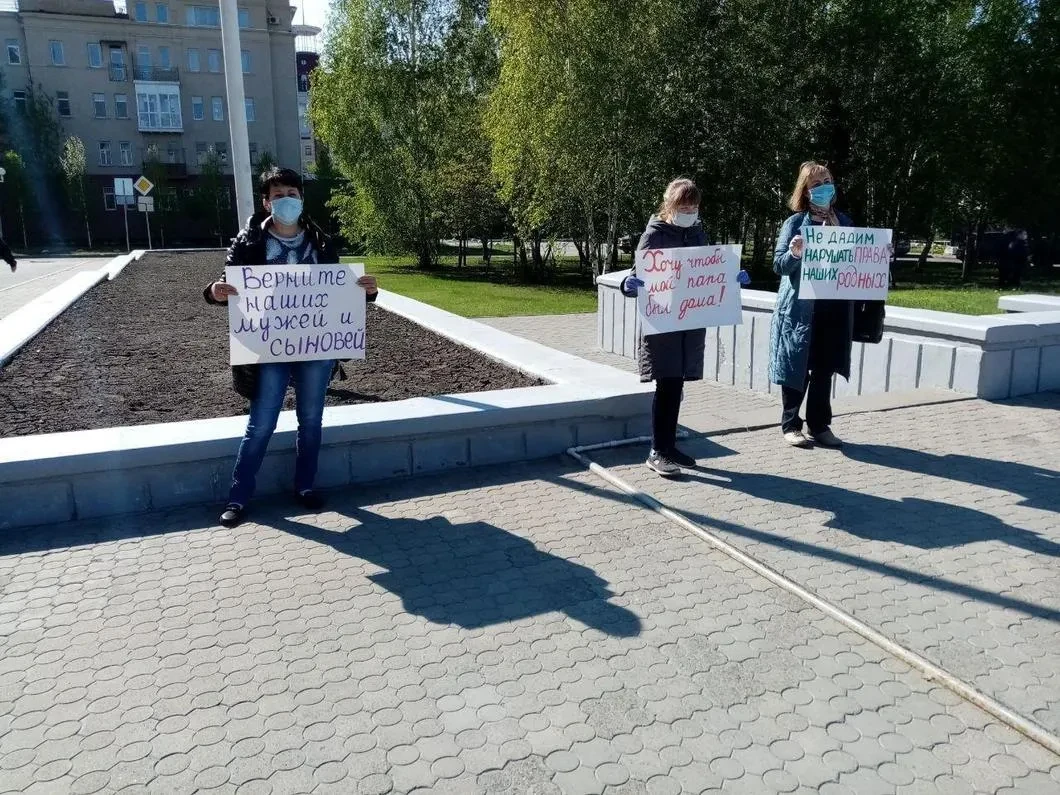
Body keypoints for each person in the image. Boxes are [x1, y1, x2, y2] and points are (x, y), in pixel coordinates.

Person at [204, 166, 379, 528]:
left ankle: (305, 486)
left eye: (292, 194)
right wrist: (214, 292)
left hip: (316, 348)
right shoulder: (249, 241)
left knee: (311, 420)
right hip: (268, 348)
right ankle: (238, 497)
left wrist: (367, 292)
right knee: (261, 423)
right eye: (278, 195)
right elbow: (227, 285)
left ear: (302, 198)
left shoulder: (321, 241)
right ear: (266, 202)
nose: (286, 200)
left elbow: (338, 294)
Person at [621, 178, 751, 476]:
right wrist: (628, 285)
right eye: (684, 207)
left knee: (676, 387)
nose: (690, 212)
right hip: (663, 326)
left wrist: (731, 277)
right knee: (666, 386)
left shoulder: (697, 233)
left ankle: (668, 447)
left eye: (694, 207)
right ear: (669, 206)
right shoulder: (654, 235)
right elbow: (636, 276)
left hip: (688, 326)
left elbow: (707, 272)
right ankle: (657, 451)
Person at [769, 160, 856, 449]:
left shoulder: (844, 223)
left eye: (827, 181)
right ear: (805, 191)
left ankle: (819, 425)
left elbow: (856, 261)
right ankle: (791, 425)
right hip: (801, 309)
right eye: (816, 184)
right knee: (797, 366)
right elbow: (779, 265)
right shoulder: (795, 223)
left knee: (824, 368)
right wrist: (795, 253)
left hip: (833, 309)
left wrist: (880, 255)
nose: (823, 187)